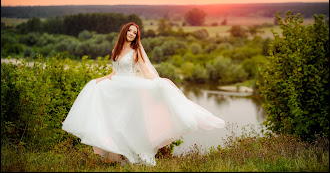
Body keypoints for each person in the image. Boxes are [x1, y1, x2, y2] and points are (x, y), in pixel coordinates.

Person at [62, 22, 225, 166]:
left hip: (131, 90)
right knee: (114, 122)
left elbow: (145, 72)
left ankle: (132, 156)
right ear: (124, 32)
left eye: (135, 33)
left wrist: (158, 81)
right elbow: (114, 72)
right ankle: (120, 155)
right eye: (130, 31)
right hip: (116, 88)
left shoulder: (136, 50)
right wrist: (99, 80)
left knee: (130, 124)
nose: (132, 34)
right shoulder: (116, 49)